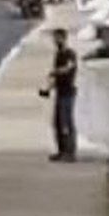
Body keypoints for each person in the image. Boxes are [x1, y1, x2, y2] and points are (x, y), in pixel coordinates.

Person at [44, 28, 78, 162]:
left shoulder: (70, 54)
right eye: (54, 38)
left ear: (64, 38)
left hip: (68, 92)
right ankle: (61, 150)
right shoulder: (58, 55)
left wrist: (56, 72)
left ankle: (70, 152)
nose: (55, 41)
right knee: (57, 123)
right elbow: (56, 76)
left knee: (66, 122)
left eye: (58, 38)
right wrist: (48, 88)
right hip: (60, 91)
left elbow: (69, 67)